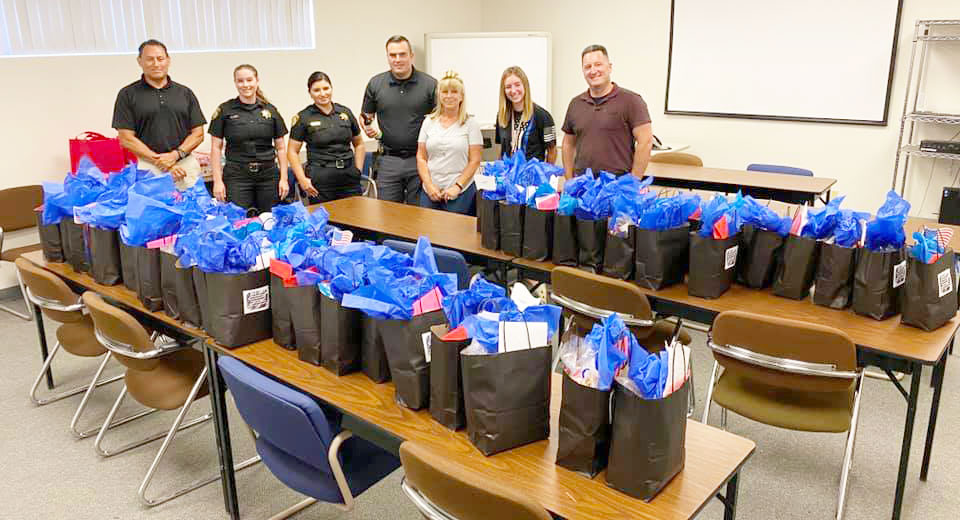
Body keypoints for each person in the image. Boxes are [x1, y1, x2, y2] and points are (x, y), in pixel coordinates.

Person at [112, 39, 205, 190]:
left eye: (160, 58)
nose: (156, 64)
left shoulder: (185, 93)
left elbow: (198, 134)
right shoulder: (127, 94)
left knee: (193, 210)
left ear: (168, 60)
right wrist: (159, 161)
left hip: (185, 165)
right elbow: (126, 138)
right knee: (153, 212)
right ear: (139, 61)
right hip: (148, 166)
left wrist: (175, 156)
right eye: (150, 59)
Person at [361, 35, 437, 204]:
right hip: (388, 160)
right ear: (387, 57)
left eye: (402, 54)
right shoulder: (376, 84)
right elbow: (366, 115)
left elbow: (441, 122)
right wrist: (367, 127)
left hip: (420, 160)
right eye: (392, 55)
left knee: (418, 215)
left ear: (411, 55)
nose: (397, 59)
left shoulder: (430, 85)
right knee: (388, 216)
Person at [561, 44, 653, 179]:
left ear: (609, 67)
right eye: (588, 67)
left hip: (618, 186)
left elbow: (645, 141)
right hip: (583, 186)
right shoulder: (576, 104)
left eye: (598, 64)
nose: (593, 71)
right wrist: (569, 180)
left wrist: (633, 182)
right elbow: (568, 144)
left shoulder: (631, 101)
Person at [208, 64, 289, 214]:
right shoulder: (225, 110)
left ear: (257, 81)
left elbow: (281, 148)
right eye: (240, 81)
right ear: (235, 83)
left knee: (270, 220)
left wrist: (284, 179)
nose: (245, 85)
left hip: (268, 176)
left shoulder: (270, 110)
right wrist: (217, 182)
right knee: (239, 221)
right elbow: (216, 148)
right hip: (237, 176)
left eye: (249, 80)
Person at [287, 72, 366, 203]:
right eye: (316, 90)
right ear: (310, 93)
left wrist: (357, 170)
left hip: (349, 177)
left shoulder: (345, 113)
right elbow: (292, 151)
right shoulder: (304, 117)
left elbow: (359, 144)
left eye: (326, 88)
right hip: (321, 178)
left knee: (354, 219)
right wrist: (302, 180)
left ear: (331, 88)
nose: (323, 94)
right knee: (325, 220)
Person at [416, 71, 482, 215]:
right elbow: (421, 157)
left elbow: (475, 161)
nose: (449, 96)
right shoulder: (429, 122)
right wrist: (428, 185)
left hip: (460, 192)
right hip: (430, 192)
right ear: (439, 95)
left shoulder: (470, 124)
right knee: (428, 233)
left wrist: (457, 187)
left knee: (455, 235)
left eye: (454, 92)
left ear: (461, 96)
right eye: (444, 92)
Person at [494, 66, 557, 163]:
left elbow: (552, 151)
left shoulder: (543, 116)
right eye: (508, 87)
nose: (513, 90)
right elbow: (501, 149)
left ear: (525, 85)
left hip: (532, 176)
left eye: (517, 85)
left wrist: (545, 175)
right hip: (508, 175)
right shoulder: (501, 116)